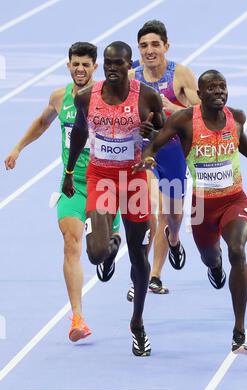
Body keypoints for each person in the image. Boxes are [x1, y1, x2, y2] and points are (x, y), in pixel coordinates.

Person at [136, 70, 247, 354]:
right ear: (200, 94)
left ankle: (239, 330)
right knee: (210, 256)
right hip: (202, 206)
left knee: (238, 251)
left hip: (234, 201)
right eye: (212, 88)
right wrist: (148, 157)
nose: (219, 92)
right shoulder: (184, 120)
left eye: (223, 87)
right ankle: (214, 267)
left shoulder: (236, 117)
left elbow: (243, 145)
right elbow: (155, 143)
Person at [4, 42, 121, 342]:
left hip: (103, 182)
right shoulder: (60, 97)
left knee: (100, 248)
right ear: (68, 65)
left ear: (95, 67)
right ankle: (78, 318)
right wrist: (18, 148)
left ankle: (110, 247)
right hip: (72, 184)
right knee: (71, 242)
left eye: (86, 64)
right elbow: (43, 122)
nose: (80, 69)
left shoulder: (105, 98)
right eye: (75, 64)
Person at [62, 41, 165, 356]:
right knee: (94, 253)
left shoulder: (146, 96)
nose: (111, 68)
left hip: (133, 180)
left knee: (139, 259)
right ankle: (109, 249)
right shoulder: (85, 98)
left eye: (117, 63)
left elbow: (162, 131)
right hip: (101, 177)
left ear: (129, 65)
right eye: (107, 63)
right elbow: (79, 133)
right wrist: (68, 173)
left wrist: (151, 133)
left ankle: (137, 324)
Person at [127, 20, 200, 301]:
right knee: (150, 212)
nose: (149, 50)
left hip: (173, 152)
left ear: (166, 46)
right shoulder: (132, 77)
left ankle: (174, 238)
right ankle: (149, 276)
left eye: (155, 44)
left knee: (172, 215)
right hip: (145, 151)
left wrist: (175, 108)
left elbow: (204, 112)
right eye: (144, 45)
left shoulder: (180, 75)